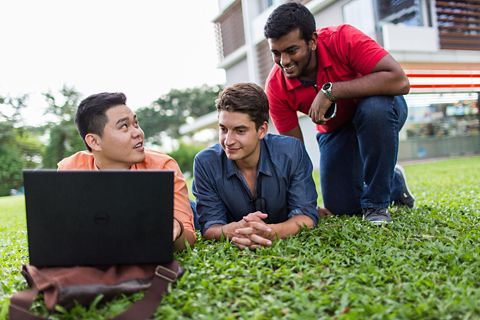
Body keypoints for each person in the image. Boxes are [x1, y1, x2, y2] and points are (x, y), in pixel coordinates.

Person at [264, 2, 415, 224]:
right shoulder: (276, 87)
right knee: (341, 206)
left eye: (291, 50)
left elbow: (400, 80)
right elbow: (294, 153)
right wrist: (303, 204)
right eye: (276, 53)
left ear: (312, 41)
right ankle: (394, 182)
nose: (284, 61)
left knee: (374, 109)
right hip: (335, 131)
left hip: (380, 111)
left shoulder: (343, 38)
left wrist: (332, 91)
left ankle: (376, 207)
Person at [58, 92, 196, 250]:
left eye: (136, 124)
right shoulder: (69, 170)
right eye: (124, 126)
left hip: (183, 209)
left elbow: (189, 240)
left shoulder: (164, 166)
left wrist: (176, 228)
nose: (138, 133)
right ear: (94, 141)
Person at [192, 83, 318, 249]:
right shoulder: (205, 163)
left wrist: (270, 232)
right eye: (223, 129)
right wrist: (234, 231)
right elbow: (210, 227)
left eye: (240, 131)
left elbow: (306, 217)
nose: (228, 141)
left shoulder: (291, 151)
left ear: (262, 130)